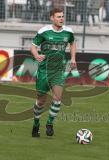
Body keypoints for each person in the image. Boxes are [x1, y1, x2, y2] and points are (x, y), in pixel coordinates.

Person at [31, 8, 76, 137]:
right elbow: (33, 46)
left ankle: (50, 123)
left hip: (58, 71)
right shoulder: (44, 32)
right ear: (52, 18)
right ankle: (36, 124)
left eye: (62, 16)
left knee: (57, 98)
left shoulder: (68, 32)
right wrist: (36, 56)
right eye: (58, 17)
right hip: (44, 71)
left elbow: (72, 43)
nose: (61, 19)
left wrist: (73, 58)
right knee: (41, 102)